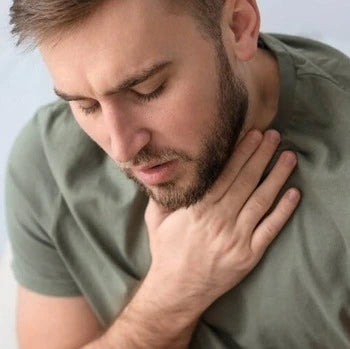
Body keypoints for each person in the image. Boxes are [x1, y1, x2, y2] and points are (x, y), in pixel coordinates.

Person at [5, 0, 350, 348]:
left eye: (147, 90)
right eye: (85, 105)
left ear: (238, 26)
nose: (122, 150)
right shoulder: (48, 166)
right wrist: (169, 298)